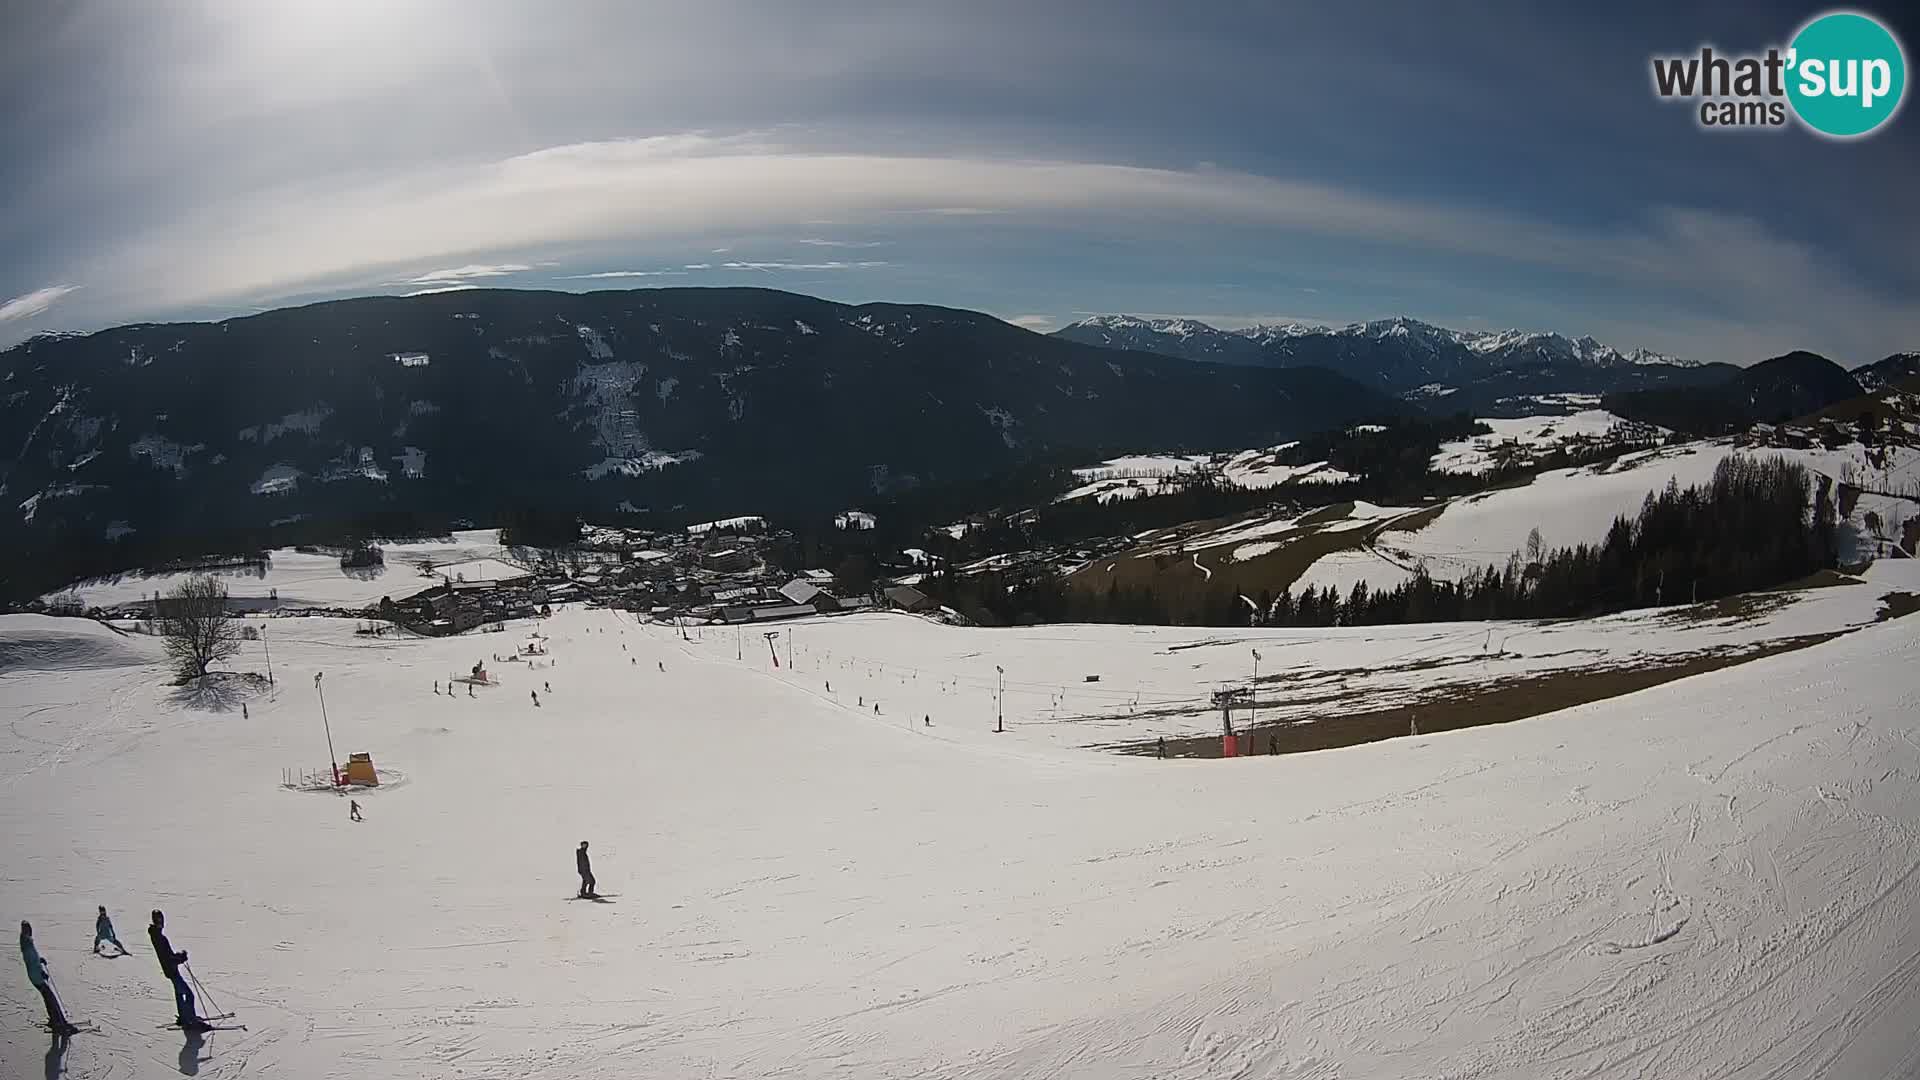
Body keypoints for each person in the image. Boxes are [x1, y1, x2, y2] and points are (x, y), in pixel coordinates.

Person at [149, 910, 206, 1030]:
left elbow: (168, 956)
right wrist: (181, 957)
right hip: (171, 970)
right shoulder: (159, 938)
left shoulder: (157, 936)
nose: (160, 923)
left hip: (170, 970)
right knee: (189, 995)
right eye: (159, 920)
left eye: (161, 920)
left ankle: (184, 1018)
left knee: (180, 994)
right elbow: (168, 958)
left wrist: (178, 957)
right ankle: (191, 1020)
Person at [20, 921, 78, 1034]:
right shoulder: (27, 945)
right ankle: (61, 1024)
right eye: (28, 930)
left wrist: (39, 960)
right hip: (37, 977)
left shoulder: (27, 942)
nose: (30, 932)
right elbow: (31, 962)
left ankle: (54, 1020)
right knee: (52, 999)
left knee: (48, 998)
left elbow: (33, 959)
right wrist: (40, 972)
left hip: (35, 976)